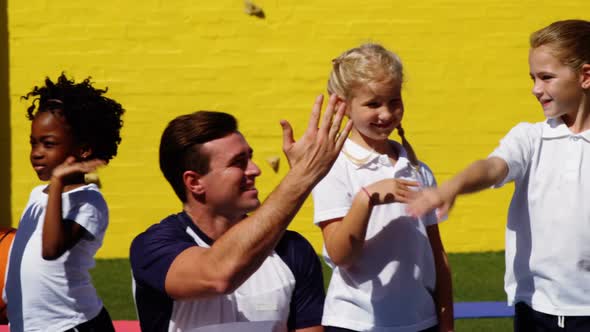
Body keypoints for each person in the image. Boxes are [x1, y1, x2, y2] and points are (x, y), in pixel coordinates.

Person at [407, 19, 590, 331]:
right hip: (535, 309)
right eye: (533, 78)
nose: (536, 88)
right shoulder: (530, 138)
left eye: (546, 77)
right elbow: (492, 167)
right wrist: (453, 186)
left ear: (585, 76)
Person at [129, 94, 352, 332]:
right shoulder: (152, 246)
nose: (255, 170)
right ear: (194, 182)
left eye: (250, 157)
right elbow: (217, 276)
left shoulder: (293, 249)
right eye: (238, 162)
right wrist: (302, 177)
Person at [312, 43, 453, 332]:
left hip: (420, 320)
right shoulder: (334, 167)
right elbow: (340, 255)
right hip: (356, 323)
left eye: (394, 101)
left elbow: (436, 253)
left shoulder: (416, 167)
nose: (386, 114)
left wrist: (446, 319)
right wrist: (367, 199)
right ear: (343, 105)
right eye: (373, 104)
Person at [5, 73, 124, 332]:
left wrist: (58, 183)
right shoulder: (38, 195)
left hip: (73, 325)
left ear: (83, 149)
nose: (36, 152)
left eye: (48, 144)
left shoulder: (89, 202)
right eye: (33, 143)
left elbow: (51, 250)